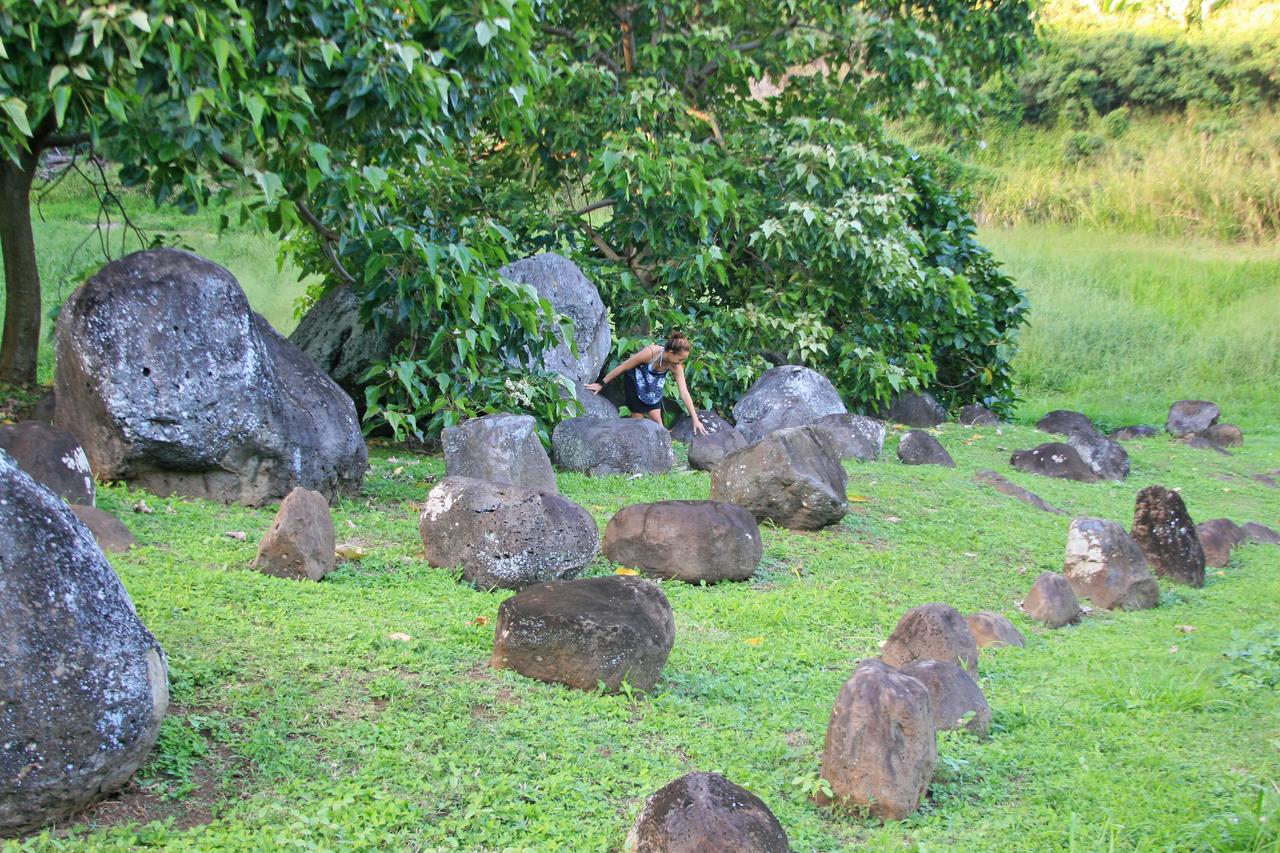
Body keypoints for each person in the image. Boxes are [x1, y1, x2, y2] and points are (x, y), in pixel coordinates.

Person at [585, 332, 709, 435]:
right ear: (671, 352)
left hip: (654, 385)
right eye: (680, 358)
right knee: (638, 418)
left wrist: (695, 419)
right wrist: (601, 384)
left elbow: (684, 393)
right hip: (635, 380)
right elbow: (623, 366)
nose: (681, 362)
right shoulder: (650, 353)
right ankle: (640, 442)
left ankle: (663, 441)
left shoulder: (676, 366)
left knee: (656, 418)